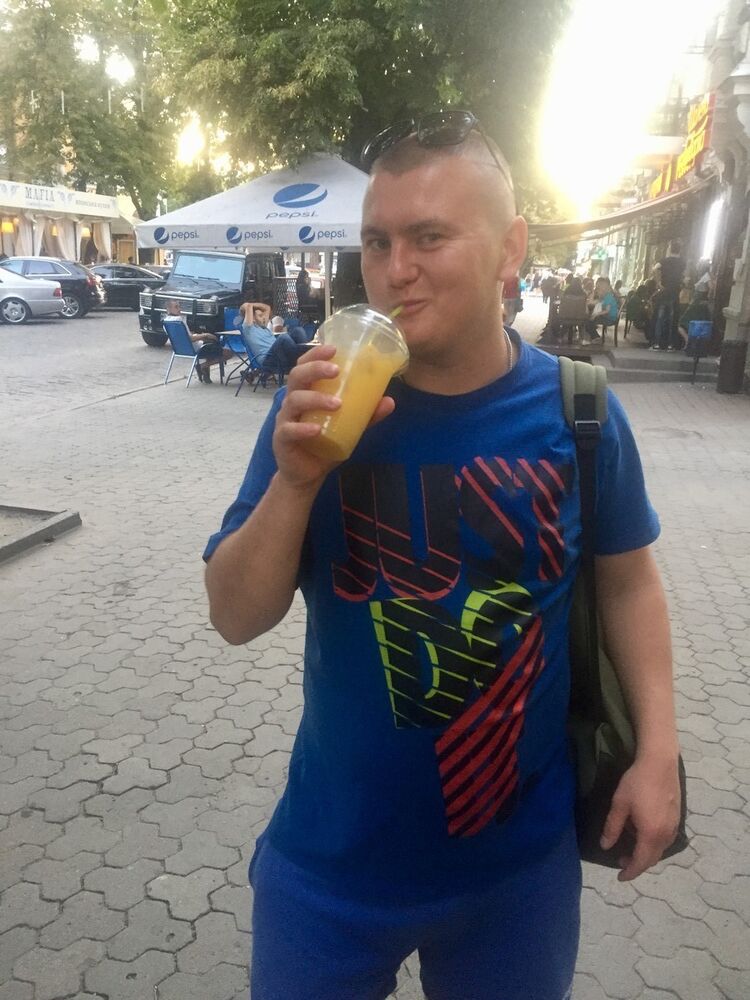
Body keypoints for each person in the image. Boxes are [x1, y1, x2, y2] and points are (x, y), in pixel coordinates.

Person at [204, 117, 681, 1000]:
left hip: (516, 876)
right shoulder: (321, 406)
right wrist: (297, 480)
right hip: (333, 866)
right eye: (377, 242)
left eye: (429, 237)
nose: (396, 269)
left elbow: (628, 584)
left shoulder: (580, 413)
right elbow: (234, 616)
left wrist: (658, 753)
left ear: (510, 249)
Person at [163, 299, 229, 383]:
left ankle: (205, 372)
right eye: (176, 307)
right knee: (227, 352)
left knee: (209, 343)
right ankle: (202, 366)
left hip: (179, 349)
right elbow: (190, 339)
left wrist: (198, 336)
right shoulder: (179, 320)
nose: (179, 309)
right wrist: (205, 335)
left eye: (179, 306)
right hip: (195, 348)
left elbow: (183, 337)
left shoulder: (166, 322)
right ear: (169, 309)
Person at [240, 301, 308, 372]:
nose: (264, 318)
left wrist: (254, 306)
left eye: (263, 315)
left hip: (279, 354)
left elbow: (267, 307)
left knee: (298, 330)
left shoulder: (264, 326)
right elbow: (248, 305)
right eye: (260, 316)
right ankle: (303, 360)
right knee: (283, 337)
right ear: (253, 319)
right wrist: (250, 307)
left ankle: (305, 357)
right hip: (268, 359)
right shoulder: (249, 329)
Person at [656, 240, 685, 351]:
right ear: (680, 250)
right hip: (675, 293)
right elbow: (685, 276)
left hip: (664, 292)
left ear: (670, 249)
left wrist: (659, 282)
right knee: (673, 319)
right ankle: (671, 344)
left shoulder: (664, 261)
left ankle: (658, 343)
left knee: (661, 317)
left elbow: (655, 269)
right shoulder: (682, 262)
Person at [582, 276, 619, 345]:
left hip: (610, 318)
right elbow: (590, 302)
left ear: (602, 288)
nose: (597, 290)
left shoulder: (608, 296)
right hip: (607, 316)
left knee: (589, 321)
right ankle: (593, 337)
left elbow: (607, 310)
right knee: (589, 320)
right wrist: (593, 293)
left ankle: (595, 338)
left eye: (598, 288)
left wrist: (596, 314)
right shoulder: (604, 296)